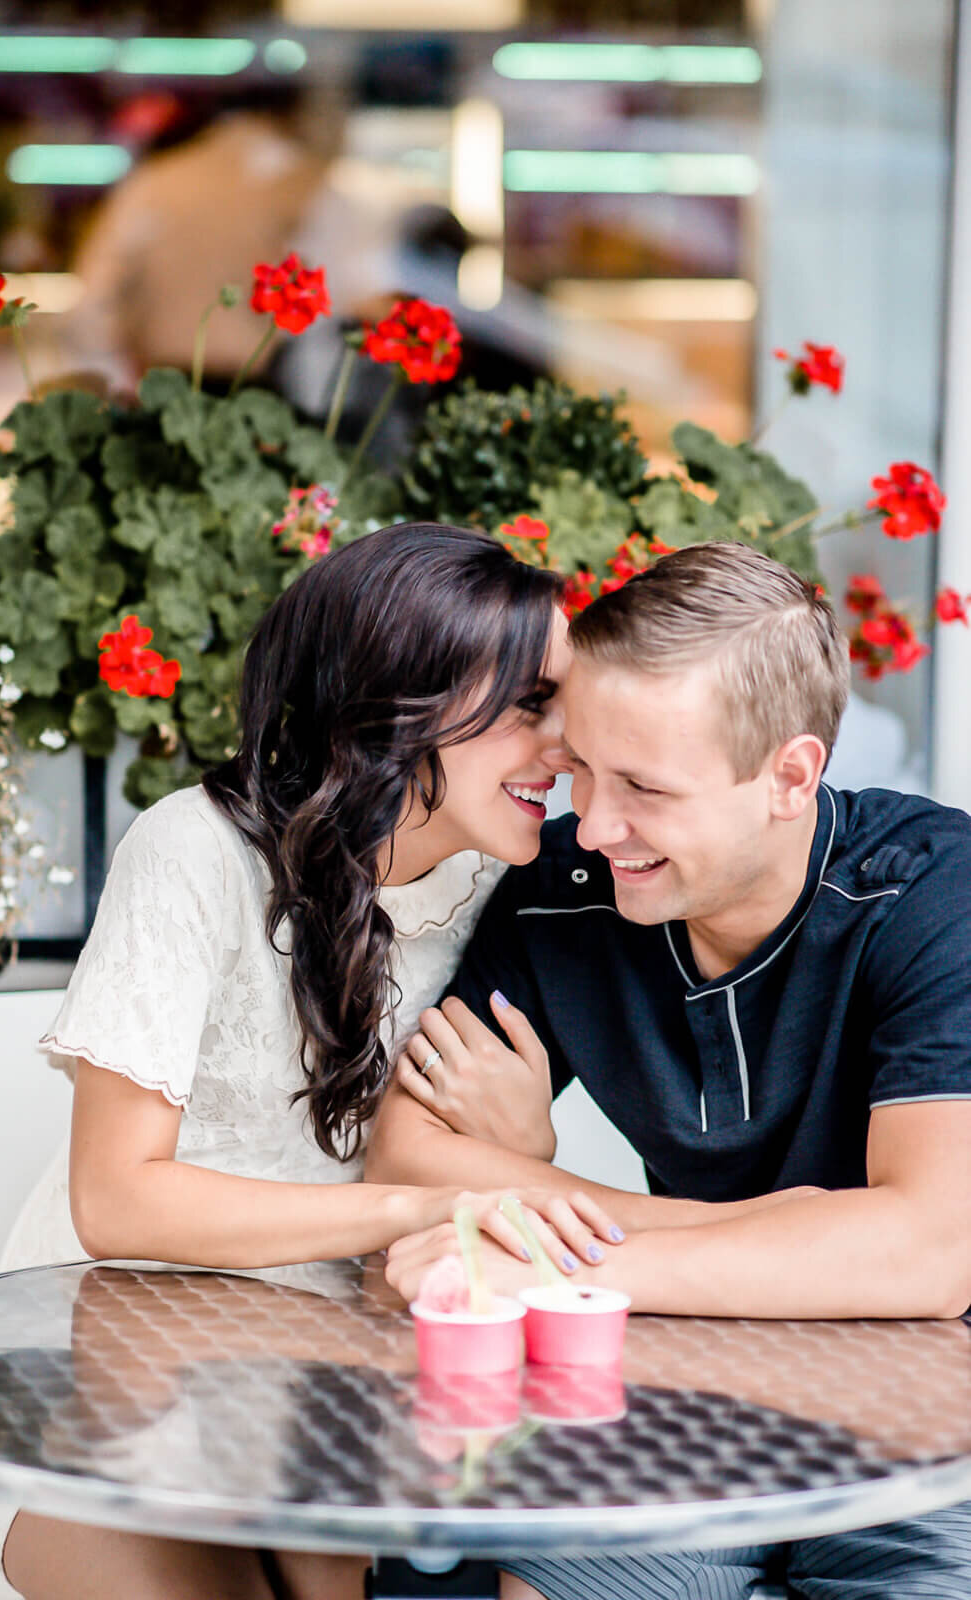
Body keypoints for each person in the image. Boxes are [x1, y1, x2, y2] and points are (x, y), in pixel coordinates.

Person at [0, 522, 619, 1600]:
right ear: (403, 703)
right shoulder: (193, 851)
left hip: (326, 1381)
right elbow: (117, 1199)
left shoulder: (504, 891)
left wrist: (525, 1147)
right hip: (107, 1368)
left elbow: (459, 1157)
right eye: (530, 704)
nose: (567, 748)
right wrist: (418, 1208)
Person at [371, 541, 971, 1600]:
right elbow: (409, 1150)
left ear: (791, 776)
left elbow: (925, 1255)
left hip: (927, 1405)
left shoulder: (932, 894)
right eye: (586, 771)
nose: (595, 827)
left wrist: (557, 1254)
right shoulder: (561, 888)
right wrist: (798, 1231)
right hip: (685, 1378)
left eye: (646, 787)